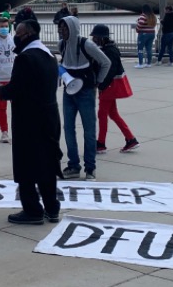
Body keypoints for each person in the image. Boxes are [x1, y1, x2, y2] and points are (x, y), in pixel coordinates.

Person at [0, 19, 64, 225]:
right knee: (47, 163)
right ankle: (52, 208)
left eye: (18, 33)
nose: (15, 36)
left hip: (29, 119)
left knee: (27, 164)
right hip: (49, 116)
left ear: (28, 35)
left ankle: (32, 210)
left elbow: (16, 89)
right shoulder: (49, 55)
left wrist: (1, 90)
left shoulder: (26, 58)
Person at [57, 15, 111, 181]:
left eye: (65, 27)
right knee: (68, 129)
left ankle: (90, 168)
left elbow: (106, 62)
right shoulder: (62, 45)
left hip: (86, 93)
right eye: (60, 27)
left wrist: (98, 83)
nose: (62, 31)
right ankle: (73, 166)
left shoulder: (86, 44)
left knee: (89, 130)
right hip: (69, 93)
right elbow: (64, 63)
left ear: (73, 28)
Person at [91, 24, 139, 153]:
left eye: (95, 37)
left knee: (102, 114)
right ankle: (130, 139)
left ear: (102, 38)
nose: (93, 39)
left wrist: (101, 85)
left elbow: (109, 71)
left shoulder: (109, 51)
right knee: (112, 114)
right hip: (111, 85)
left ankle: (101, 143)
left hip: (109, 86)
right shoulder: (109, 48)